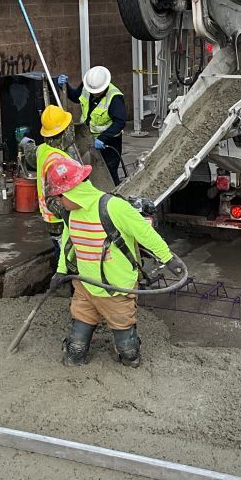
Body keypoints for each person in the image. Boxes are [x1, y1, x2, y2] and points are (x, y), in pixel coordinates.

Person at [44, 157, 184, 368]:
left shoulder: (114, 207)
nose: (59, 202)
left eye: (60, 197)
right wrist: (61, 271)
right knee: (76, 349)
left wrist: (168, 259)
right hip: (85, 287)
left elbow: (145, 234)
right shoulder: (71, 214)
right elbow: (67, 242)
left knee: (129, 353)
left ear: (72, 192)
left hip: (116, 290)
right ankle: (78, 350)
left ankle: (128, 351)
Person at [57, 66, 126, 184]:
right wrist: (65, 86)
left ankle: (114, 193)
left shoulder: (115, 98)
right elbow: (75, 97)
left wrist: (102, 138)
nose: (95, 94)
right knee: (89, 170)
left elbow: (120, 122)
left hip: (108, 141)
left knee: (109, 172)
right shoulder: (88, 85)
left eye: (98, 92)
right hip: (87, 137)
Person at [36, 104, 76, 269]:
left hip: (48, 216)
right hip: (59, 217)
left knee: (58, 246)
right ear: (63, 133)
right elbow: (54, 196)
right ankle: (64, 283)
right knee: (66, 254)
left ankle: (57, 273)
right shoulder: (58, 162)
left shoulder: (43, 149)